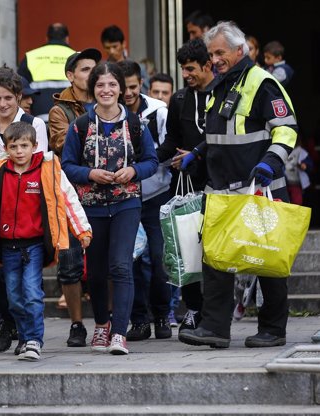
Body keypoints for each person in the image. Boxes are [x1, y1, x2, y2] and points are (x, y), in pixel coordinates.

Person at [178, 21, 297, 349]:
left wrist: (270, 163)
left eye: (220, 52)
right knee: (216, 259)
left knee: (267, 260)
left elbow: (285, 128)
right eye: (211, 53)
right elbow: (222, 132)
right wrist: (200, 152)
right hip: (222, 190)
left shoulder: (262, 82)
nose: (214, 59)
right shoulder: (220, 84)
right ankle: (215, 328)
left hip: (258, 187)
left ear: (239, 50)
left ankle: (273, 329)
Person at [0, 122, 92, 360]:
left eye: (25, 146)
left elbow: (68, 199)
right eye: (14, 146)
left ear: (35, 146)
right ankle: (23, 337)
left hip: (33, 244)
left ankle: (34, 340)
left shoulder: (48, 169)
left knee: (32, 292)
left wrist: (82, 230)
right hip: (7, 246)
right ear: (6, 148)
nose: (20, 151)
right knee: (14, 298)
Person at [62, 63, 158, 355]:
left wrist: (134, 171)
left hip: (126, 202)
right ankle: (101, 324)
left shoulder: (136, 124)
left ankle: (119, 333)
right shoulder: (79, 125)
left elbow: (152, 161)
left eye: (112, 85)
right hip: (91, 206)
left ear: (122, 89)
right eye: (100, 85)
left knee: (121, 265)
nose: (106, 90)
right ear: (93, 89)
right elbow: (66, 165)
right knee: (98, 270)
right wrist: (90, 174)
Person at [0, 65, 48, 353]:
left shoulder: (33, 123)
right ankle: (7, 320)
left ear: (18, 97)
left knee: (28, 285)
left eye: (8, 98)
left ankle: (30, 335)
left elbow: (42, 162)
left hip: (28, 208)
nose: (2, 104)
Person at [157, 38, 215, 333]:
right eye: (183, 69)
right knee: (185, 250)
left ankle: (216, 312)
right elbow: (171, 141)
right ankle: (194, 308)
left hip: (218, 184)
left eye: (191, 68)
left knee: (215, 252)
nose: (187, 74)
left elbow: (221, 138)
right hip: (185, 186)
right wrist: (147, 160)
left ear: (208, 65)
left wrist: (196, 153)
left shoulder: (224, 94)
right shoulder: (179, 99)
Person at [48, 47, 101, 347]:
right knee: (68, 261)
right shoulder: (60, 110)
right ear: (70, 75)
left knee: (103, 261)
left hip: (105, 190)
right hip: (69, 192)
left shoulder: (107, 100)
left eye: (95, 69)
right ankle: (77, 325)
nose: (92, 75)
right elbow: (60, 141)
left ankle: (105, 322)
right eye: (84, 69)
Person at [117, 60, 172, 342]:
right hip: (124, 196)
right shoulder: (110, 113)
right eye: (122, 88)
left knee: (160, 257)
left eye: (134, 88)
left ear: (143, 85)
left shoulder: (158, 111)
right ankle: (139, 320)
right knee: (132, 261)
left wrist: (140, 163)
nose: (128, 93)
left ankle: (162, 314)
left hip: (156, 194)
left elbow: (168, 147)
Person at [17, 23, 76, 121]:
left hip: (39, 122)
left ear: (47, 39)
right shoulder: (76, 58)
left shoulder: (31, 57)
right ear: (67, 39)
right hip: (69, 122)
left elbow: (18, 88)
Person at [100, 25, 149, 92]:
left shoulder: (139, 68)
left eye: (115, 46)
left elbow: (145, 93)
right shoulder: (101, 69)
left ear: (123, 44)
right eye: (107, 48)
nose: (111, 51)